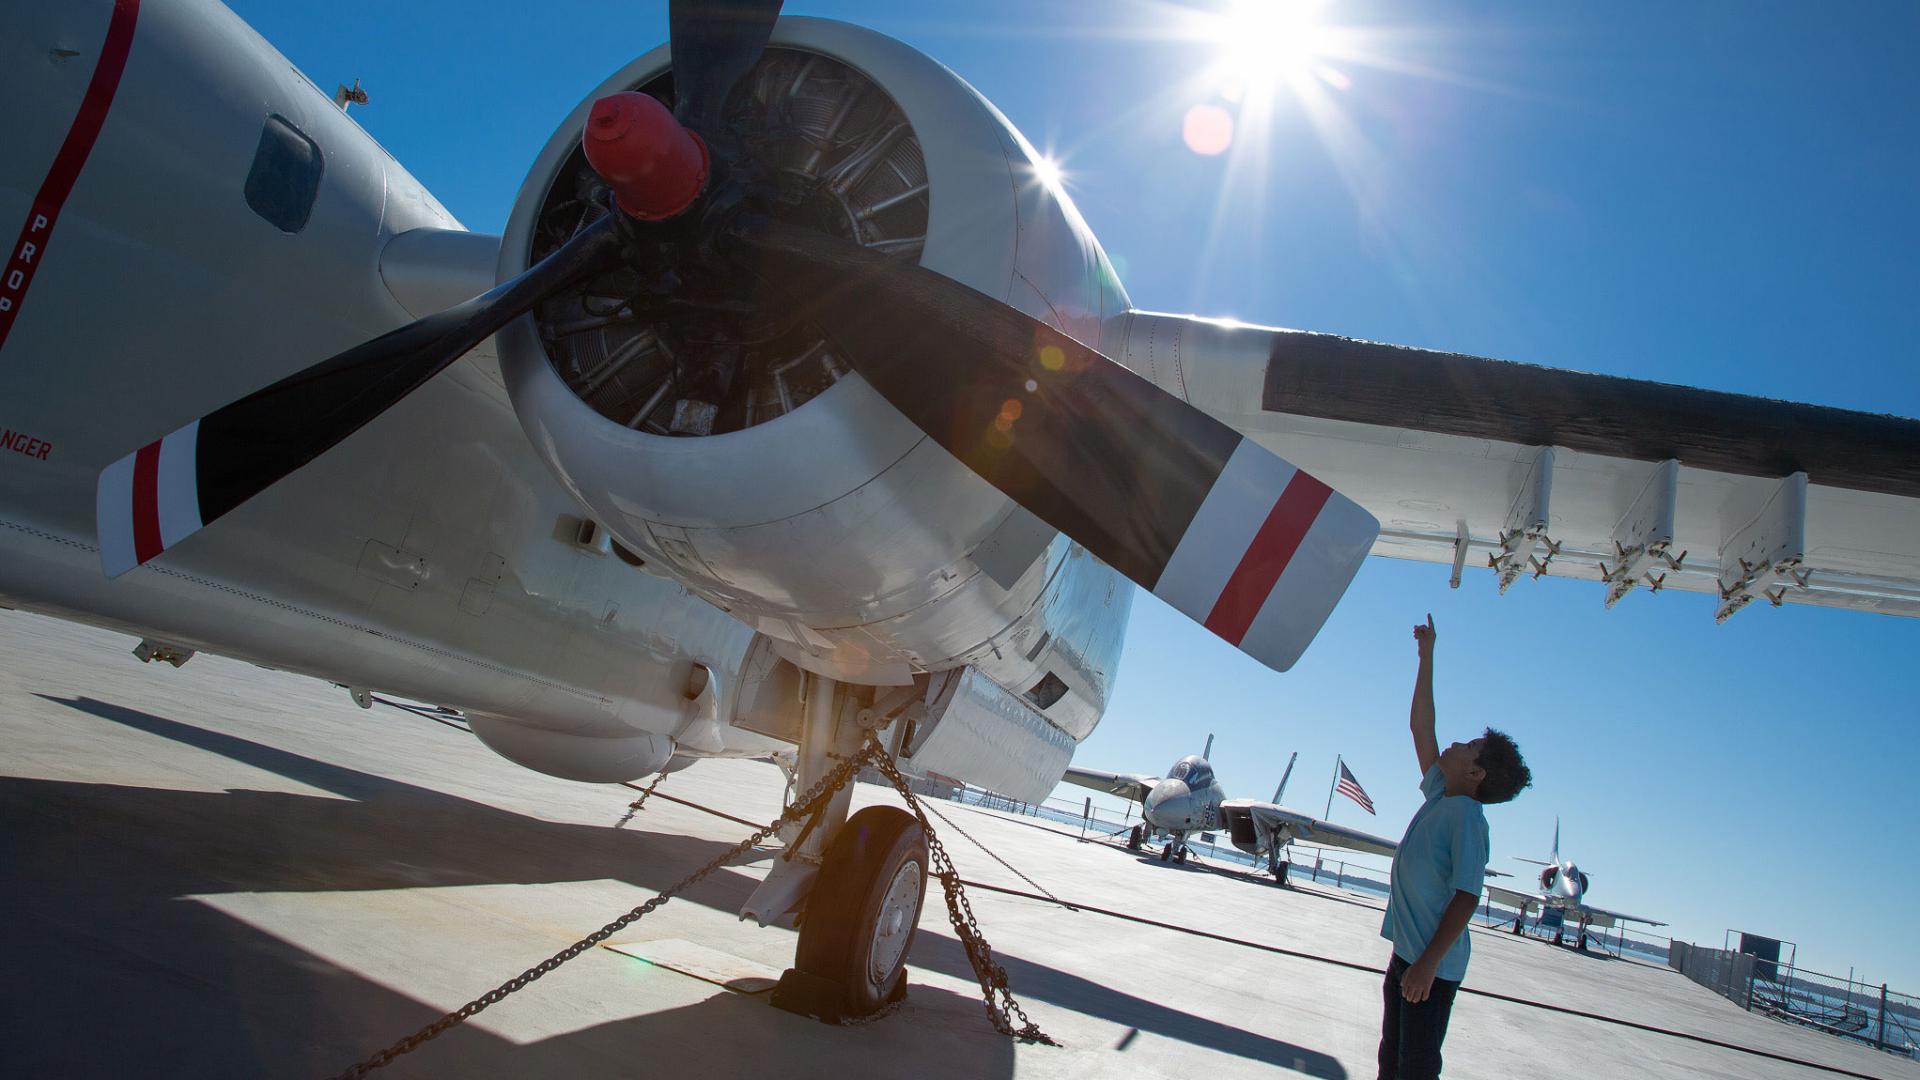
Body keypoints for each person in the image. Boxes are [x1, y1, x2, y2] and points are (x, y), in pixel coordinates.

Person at [1378, 615, 1531, 1080]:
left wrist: (1426, 965)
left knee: (1416, 1068)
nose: (1457, 743)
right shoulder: (1444, 795)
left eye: (1469, 746)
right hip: (1409, 955)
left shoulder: (1468, 819)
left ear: (1477, 773)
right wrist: (1426, 659)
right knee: (1392, 1058)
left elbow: (1467, 896)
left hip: (1432, 967)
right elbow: (1422, 730)